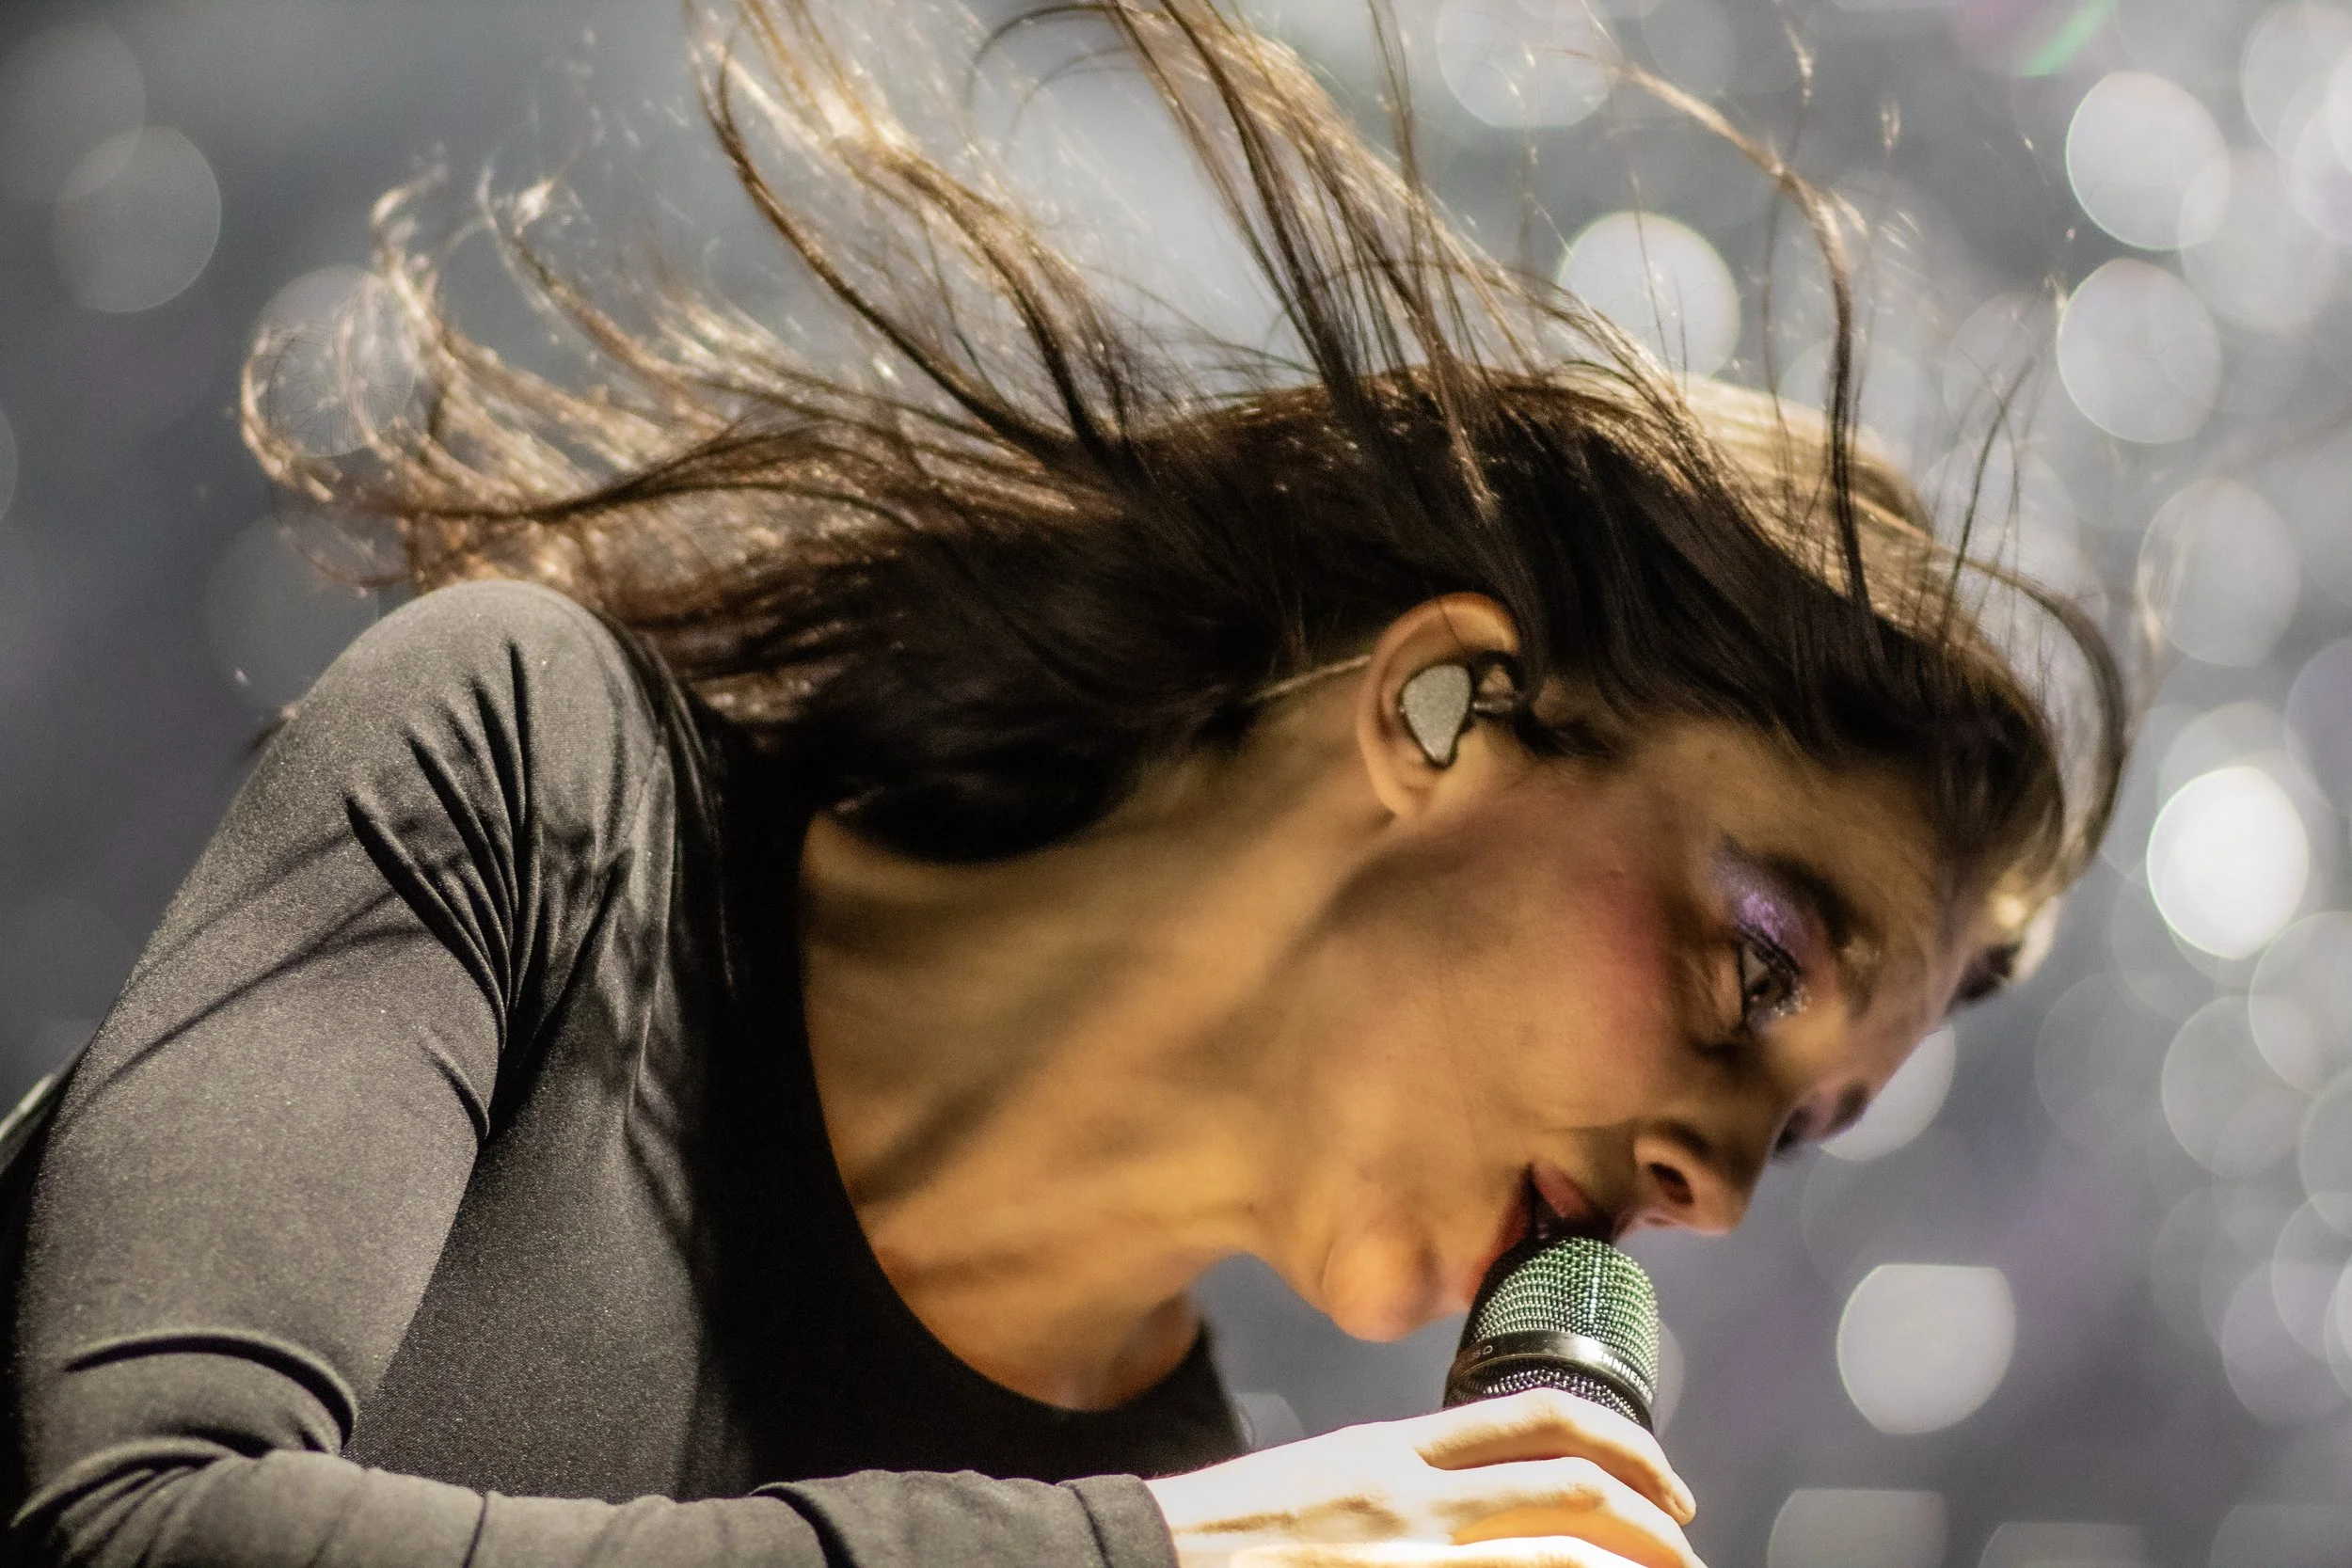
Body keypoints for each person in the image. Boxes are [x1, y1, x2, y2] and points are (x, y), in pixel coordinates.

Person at [2, 3, 2127, 1567]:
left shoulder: (1206, 1500)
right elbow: (133, 1527)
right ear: (1442, 709)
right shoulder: (537, 780)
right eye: (1755, 972)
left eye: (1806, 1128)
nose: (1719, 1190)